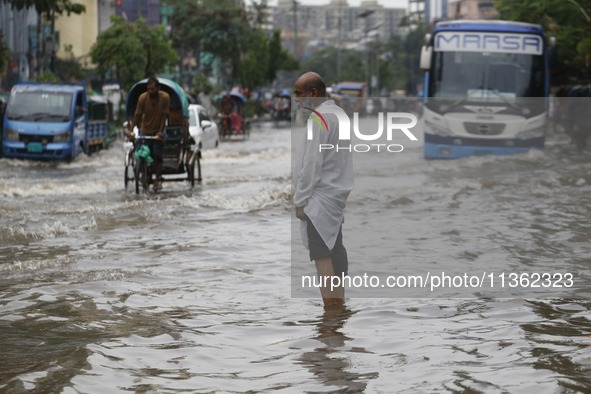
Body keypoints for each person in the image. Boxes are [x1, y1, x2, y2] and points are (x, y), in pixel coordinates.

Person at [293, 72, 354, 308]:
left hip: (319, 201)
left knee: (322, 257)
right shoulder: (338, 115)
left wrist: (300, 201)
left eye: (299, 94)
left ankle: (330, 315)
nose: (296, 99)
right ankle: (339, 309)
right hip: (335, 199)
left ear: (313, 93)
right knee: (335, 255)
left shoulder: (319, 119)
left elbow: (311, 166)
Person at [127, 77, 170, 191]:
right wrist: (131, 130)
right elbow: (137, 115)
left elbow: (164, 116)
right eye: (148, 89)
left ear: (158, 88)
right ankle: (142, 173)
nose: (150, 91)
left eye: (152, 89)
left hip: (158, 131)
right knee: (140, 153)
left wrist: (160, 131)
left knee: (157, 156)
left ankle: (157, 180)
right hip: (145, 130)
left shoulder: (164, 97)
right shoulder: (143, 98)